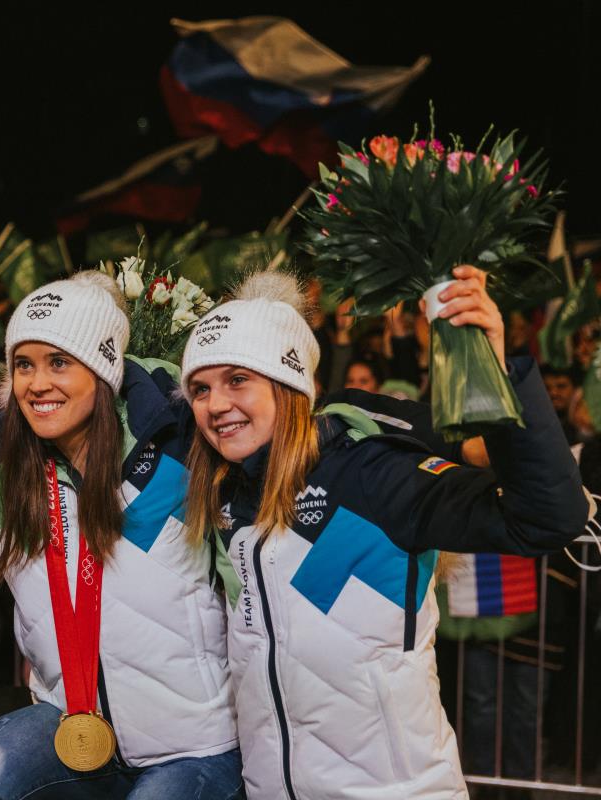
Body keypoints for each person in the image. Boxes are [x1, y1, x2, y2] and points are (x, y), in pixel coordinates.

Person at [178, 266, 589, 799]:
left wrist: (497, 378)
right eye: (200, 388)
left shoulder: (368, 472)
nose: (215, 404)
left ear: (288, 383)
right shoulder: (227, 496)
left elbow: (548, 517)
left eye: (238, 380)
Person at [0, 272, 244, 799]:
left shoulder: (179, 445)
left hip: (193, 745)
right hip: (68, 723)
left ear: (103, 368)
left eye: (59, 362)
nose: (37, 383)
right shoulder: (6, 469)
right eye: (24, 364)